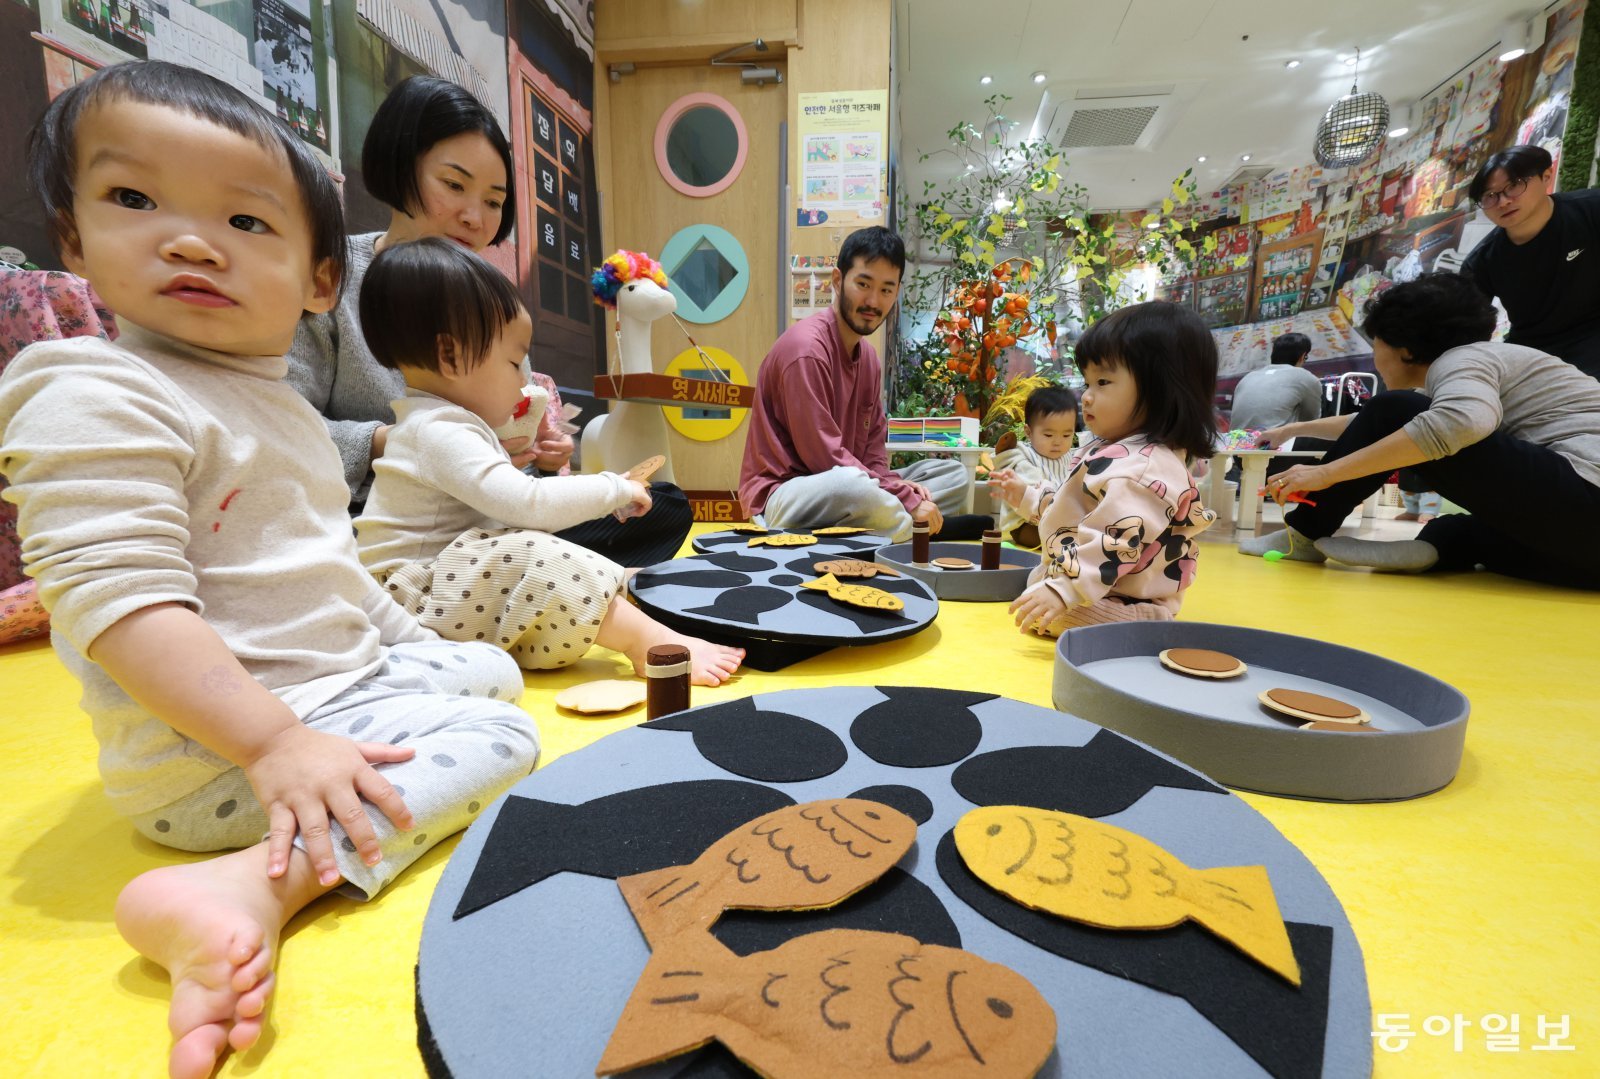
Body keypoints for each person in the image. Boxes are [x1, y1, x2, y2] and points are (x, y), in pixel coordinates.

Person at [0, 62, 540, 1078]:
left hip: (319, 695)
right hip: (216, 757)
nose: (193, 239)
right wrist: (275, 742)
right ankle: (260, 880)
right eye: (133, 199)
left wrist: (414, 643)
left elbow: (326, 569)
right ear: (72, 238)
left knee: (494, 673)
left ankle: (334, 768)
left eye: (247, 223)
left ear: (318, 280)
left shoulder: (281, 406)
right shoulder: (90, 388)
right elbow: (119, 604)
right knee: (503, 732)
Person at [285, 76, 690, 566]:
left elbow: (518, 472)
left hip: (487, 522)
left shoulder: (491, 307)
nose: (475, 217)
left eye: (494, 201)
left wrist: (539, 452)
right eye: (453, 185)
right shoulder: (334, 279)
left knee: (662, 503)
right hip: (370, 528)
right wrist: (390, 443)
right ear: (398, 168)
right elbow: (280, 426)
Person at [355, 239, 745, 684]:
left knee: (554, 543)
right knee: (536, 553)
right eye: (514, 362)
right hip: (413, 597)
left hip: (447, 582)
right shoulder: (439, 431)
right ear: (451, 357)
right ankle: (645, 642)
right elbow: (527, 504)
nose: (526, 380)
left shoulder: (448, 424)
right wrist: (611, 488)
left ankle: (613, 589)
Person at [1242, 273, 1600, 589]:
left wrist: (1325, 473)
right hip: (1584, 551)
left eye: (1376, 343)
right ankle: (1438, 548)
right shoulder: (1470, 368)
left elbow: (1459, 421)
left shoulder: (1463, 359)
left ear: (1404, 348)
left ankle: (1302, 534)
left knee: (1393, 407)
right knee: (1468, 532)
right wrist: (1294, 428)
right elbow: (1375, 426)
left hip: (1586, 493)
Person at [988, 301, 1218, 634]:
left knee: (1062, 613)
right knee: (1037, 583)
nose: (1086, 396)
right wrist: (1026, 497)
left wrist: (1066, 589)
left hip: (1128, 597)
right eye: (1087, 382)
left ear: (1160, 388)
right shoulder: (1107, 449)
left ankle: (1150, 620)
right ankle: (1069, 591)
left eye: (1103, 383)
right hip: (1101, 583)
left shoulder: (1145, 468)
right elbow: (1076, 508)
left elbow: (1117, 542)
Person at [739, 226, 975, 542]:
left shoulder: (869, 358)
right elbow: (825, 459)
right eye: (863, 284)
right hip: (785, 497)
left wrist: (899, 487)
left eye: (886, 289)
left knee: (951, 475)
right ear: (838, 280)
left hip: (852, 486)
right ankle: (916, 532)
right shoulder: (805, 351)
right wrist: (905, 497)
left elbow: (874, 452)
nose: (873, 301)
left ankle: (883, 526)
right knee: (848, 485)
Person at [1461, 144, 1600, 379]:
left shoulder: (1591, 209)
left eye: (1513, 186)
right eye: (1489, 196)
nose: (1503, 202)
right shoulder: (1481, 262)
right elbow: (1468, 329)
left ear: (1546, 176)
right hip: (1534, 349)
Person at [990, 383, 1078, 548]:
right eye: (1048, 434)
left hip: (1059, 519)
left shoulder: (1071, 457)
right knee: (1051, 539)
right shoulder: (1023, 456)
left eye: (1067, 435)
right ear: (1029, 432)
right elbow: (1025, 485)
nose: (1058, 442)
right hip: (1024, 525)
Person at [1229, 332, 1322, 432]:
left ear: (1273, 353)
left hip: (1234, 443)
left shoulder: (1247, 377)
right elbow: (1311, 421)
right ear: (1303, 356)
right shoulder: (1305, 377)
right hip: (1270, 445)